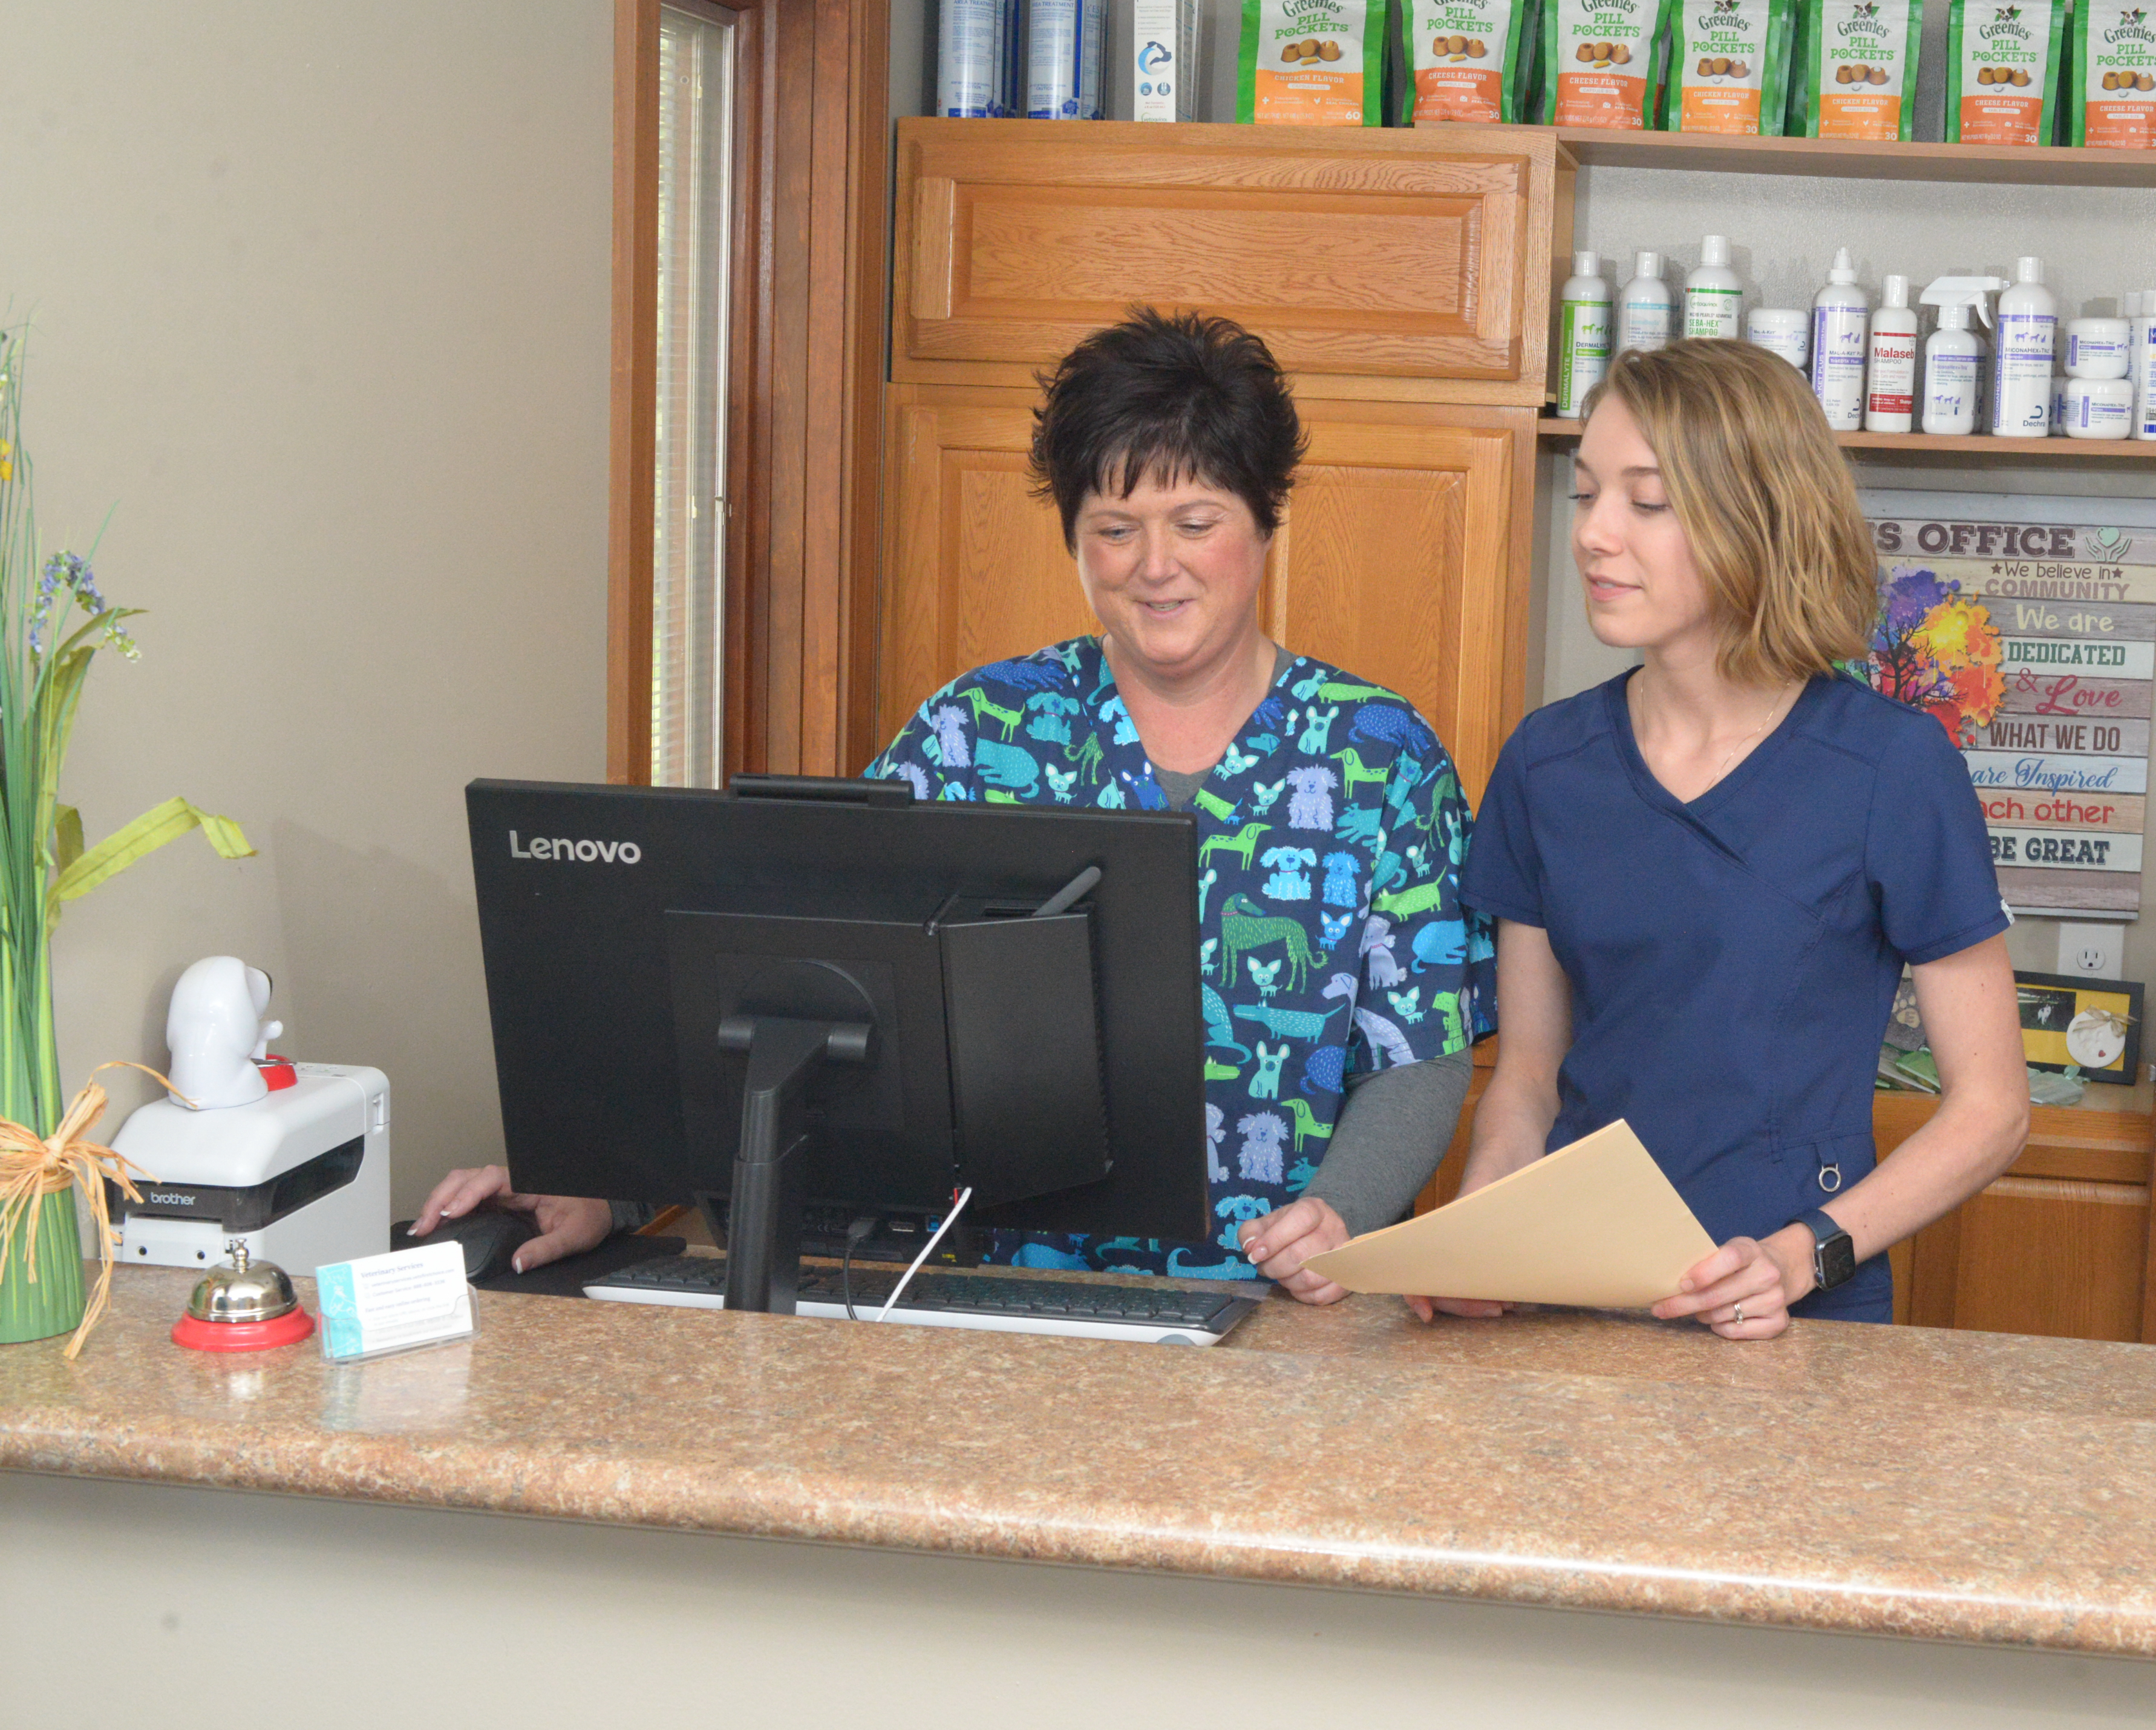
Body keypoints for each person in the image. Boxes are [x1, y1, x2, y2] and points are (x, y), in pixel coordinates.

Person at [416, 309, 1490, 1294]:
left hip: (1278, 1308)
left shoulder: (1379, 758)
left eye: (1195, 522)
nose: (1154, 567)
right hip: (988, 1291)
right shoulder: (978, 733)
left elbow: (1421, 1047)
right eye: (1113, 528)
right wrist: (605, 1183)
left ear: (1266, 521)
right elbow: (808, 991)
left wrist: (1344, 1214)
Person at [1426, 339, 2029, 1338]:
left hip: (1785, 1324)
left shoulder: (1890, 770)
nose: (1593, 534)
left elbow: (1991, 1110)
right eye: (1585, 496)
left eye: (1646, 502)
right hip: (1567, 1308)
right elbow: (1529, 1078)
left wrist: (1803, 1256)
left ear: (1757, 517)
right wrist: (1479, 1235)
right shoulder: (1546, 762)